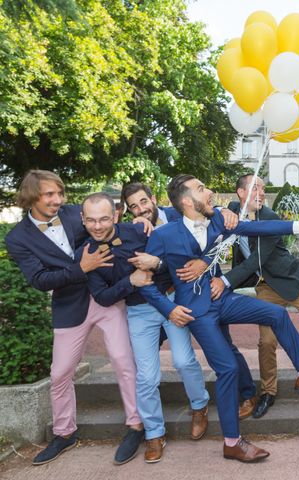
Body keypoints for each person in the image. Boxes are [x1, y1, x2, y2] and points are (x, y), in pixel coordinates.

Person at [140, 174, 299, 463]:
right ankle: (232, 442)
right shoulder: (163, 235)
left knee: (277, 314)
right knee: (228, 368)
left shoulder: (219, 220)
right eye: (201, 188)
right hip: (198, 311)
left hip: (223, 299)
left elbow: (262, 226)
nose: (209, 191)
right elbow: (144, 282)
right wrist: (168, 310)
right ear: (185, 201)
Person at [4, 170, 149, 466]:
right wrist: (81, 268)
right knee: (59, 373)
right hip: (69, 305)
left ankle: (136, 425)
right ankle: (64, 432)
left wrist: (141, 221)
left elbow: (108, 226)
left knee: (123, 361)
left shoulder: (76, 213)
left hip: (108, 297)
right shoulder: (17, 238)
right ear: (32, 196)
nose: (58, 199)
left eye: (60, 193)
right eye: (49, 194)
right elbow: (40, 279)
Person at [79, 193, 212, 463]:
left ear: (116, 215)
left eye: (104, 218)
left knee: (184, 360)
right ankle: (154, 432)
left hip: (168, 301)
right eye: (91, 220)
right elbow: (103, 297)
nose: (98, 226)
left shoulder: (140, 230)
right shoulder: (86, 253)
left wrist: (158, 264)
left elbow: (168, 265)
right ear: (83, 220)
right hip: (138, 312)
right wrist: (130, 280)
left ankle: (200, 405)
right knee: (146, 377)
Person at [220, 175, 299, 419]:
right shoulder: (232, 211)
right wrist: (222, 209)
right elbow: (218, 210)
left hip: (293, 281)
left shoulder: (270, 218)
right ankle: (268, 391)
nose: (262, 193)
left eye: (264, 189)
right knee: (266, 342)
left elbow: (256, 260)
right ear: (241, 193)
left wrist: (224, 282)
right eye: (256, 188)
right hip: (265, 287)